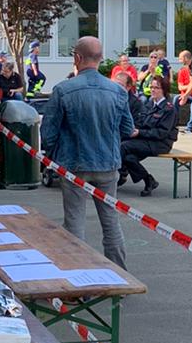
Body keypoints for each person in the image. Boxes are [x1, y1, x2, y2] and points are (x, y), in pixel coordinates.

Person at [40, 37, 135, 265]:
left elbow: (48, 133)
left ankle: (78, 280)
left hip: (74, 166)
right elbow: (128, 128)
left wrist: (52, 158)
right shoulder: (117, 91)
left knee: (74, 224)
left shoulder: (63, 89)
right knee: (111, 223)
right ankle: (119, 278)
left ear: (77, 58)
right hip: (108, 165)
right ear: (100, 58)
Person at [119, 73, 178, 195]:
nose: (153, 90)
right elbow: (141, 123)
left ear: (164, 90)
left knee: (123, 147)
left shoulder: (169, 109)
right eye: (151, 87)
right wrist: (133, 130)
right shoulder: (149, 104)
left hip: (160, 143)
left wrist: (140, 132)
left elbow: (161, 133)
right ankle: (149, 180)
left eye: (156, 87)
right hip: (146, 140)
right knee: (128, 157)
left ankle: (112, 175)